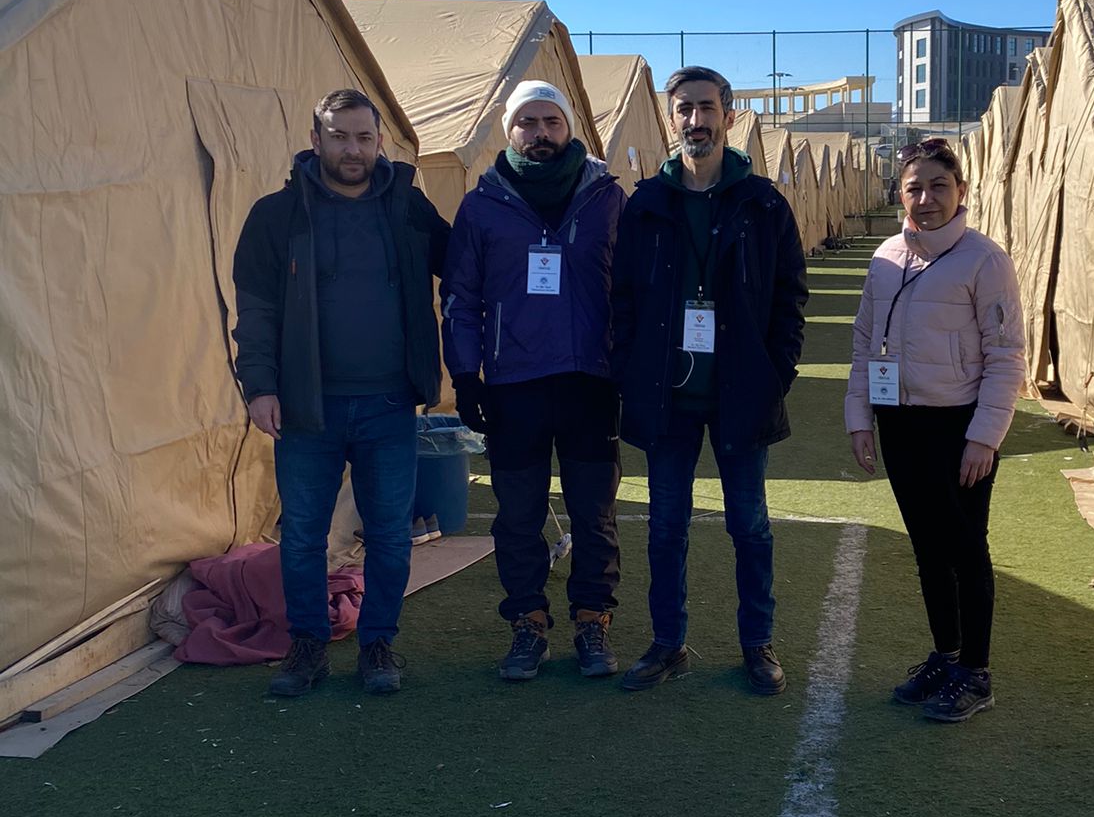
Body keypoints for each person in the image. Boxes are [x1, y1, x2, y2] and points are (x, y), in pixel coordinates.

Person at [232, 88, 451, 697]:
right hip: (307, 405)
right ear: (315, 140)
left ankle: (378, 643)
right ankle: (307, 645)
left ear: (380, 142)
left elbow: (466, 261)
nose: (352, 149)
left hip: (389, 402)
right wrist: (260, 386)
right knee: (303, 534)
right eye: (339, 136)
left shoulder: (407, 207)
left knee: (389, 533)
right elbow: (255, 309)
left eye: (363, 137)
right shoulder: (276, 215)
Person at [611, 67, 807, 695]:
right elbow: (623, 297)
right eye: (684, 110)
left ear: (727, 114)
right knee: (666, 527)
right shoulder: (647, 203)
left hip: (739, 394)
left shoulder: (763, 203)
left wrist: (775, 372)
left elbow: (789, 296)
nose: (695, 121)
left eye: (706, 108)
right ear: (672, 119)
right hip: (667, 397)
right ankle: (668, 643)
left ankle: (758, 643)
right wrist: (631, 369)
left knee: (749, 526)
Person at [440, 80, 624, 682]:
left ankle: (592, 619)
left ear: (570, 128)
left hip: (590, 383)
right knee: (517, 516)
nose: (540, 133)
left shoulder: (607, 198)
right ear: (509, 130)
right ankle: (528, 622)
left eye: (551, 121)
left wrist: (630, 365)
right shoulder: (482, 205)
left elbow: (634, 290)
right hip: (514, 386)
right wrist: (466, 375)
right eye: (528, 122)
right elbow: (460, 297)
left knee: (594, 514)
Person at [845, 136, 1025, 722]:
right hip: (900, 422)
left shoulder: (985, 260)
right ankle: (946, 656)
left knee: (966, 548)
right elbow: (865, 343)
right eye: (915, 188)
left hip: (957, 426)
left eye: (939, 186)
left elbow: (1006, 355)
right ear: (900, 194)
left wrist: (984, 437)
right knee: (927, 548)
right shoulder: (886, 256)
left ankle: (976, 671)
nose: (926, 199)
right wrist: (860, 418)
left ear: (961, 191)